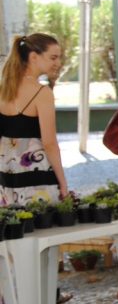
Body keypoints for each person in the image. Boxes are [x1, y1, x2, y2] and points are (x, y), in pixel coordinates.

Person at [0, 33, 69, 205]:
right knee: (43, 219)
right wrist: (63, 183)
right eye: (53, 57)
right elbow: (49, 143)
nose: (58, 63)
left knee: (13, 221)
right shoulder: (42, 93)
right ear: (33, 57)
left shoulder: (3, 89)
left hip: (5, 170)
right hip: (34, 170)